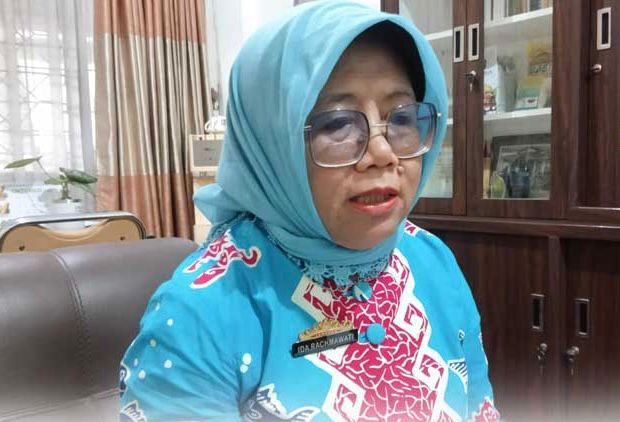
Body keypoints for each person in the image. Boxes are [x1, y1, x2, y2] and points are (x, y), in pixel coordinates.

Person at [118, 1, 500, 421]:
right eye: (337, 124)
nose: (382, 152)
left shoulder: (432, 260)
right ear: (271, 142)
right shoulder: (201, 316)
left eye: (403, 118)